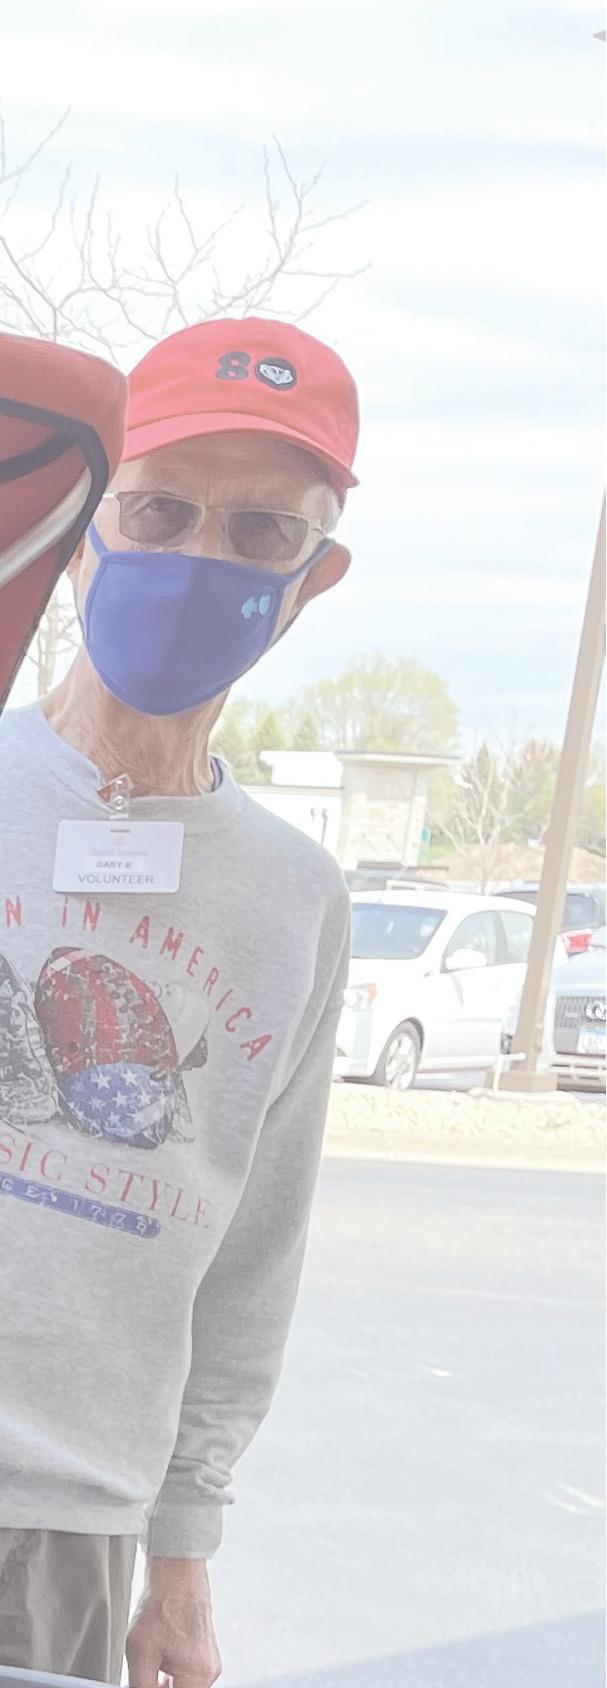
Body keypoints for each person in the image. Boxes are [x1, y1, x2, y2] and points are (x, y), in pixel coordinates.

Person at [0, 317, 359, 1685]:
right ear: (82, 524)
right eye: (159, 510)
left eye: (262, 531)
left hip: (67, 1531)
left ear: (312, 581)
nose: (200, 557)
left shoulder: (293, 901)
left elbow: (254, 1260)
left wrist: (185, 1555)